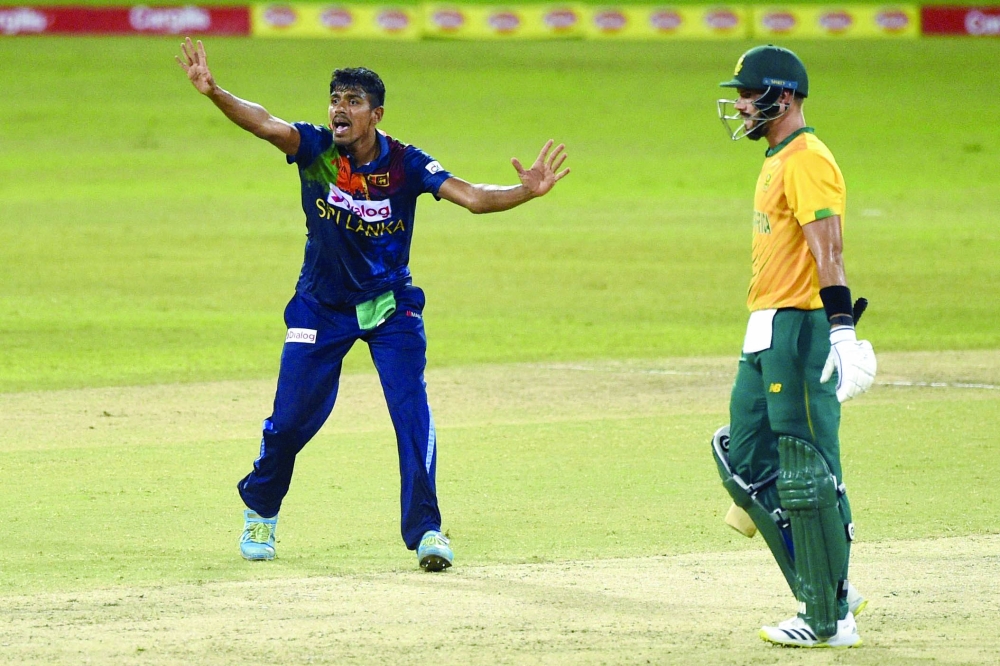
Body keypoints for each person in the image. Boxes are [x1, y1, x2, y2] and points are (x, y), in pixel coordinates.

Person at [175, 38, 569, 571]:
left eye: (354, 101)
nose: (340, 108)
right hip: (320, 305)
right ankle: (261, 510)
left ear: (376, 114)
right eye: (335, 98)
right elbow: (265, 123)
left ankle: (426, 530)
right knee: (290, 422)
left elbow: (473, 197)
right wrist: (214, 91)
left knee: (411, 414)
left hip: (390, 307)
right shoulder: (317, 151)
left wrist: (525, 192)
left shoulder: (405, 164)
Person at [711, 45, 876, 647]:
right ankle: (832, 586)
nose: (739, 105)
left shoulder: (807, 159)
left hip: (800, 329)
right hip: (767, 324)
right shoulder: (778, 158)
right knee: (742, 459)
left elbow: (828, 249)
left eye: (748, 94)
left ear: (782, 97)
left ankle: (828, 615)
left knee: (807, 466)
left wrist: (842, 330)